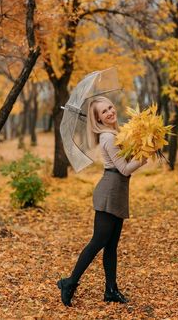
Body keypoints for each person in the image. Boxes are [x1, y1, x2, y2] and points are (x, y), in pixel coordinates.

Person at [57, 96, 147, 307]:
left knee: (111, 246)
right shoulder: (107, 137)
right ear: (97, 119)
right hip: (109, 191)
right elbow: (124, 168)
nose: (109, 112)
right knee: (98, 242)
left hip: (117, 191)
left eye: (110, 107)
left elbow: (124, 162)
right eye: (103, 111)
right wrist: (141, 160)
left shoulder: (116, 133)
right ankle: (69, 283)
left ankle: (111, 290)